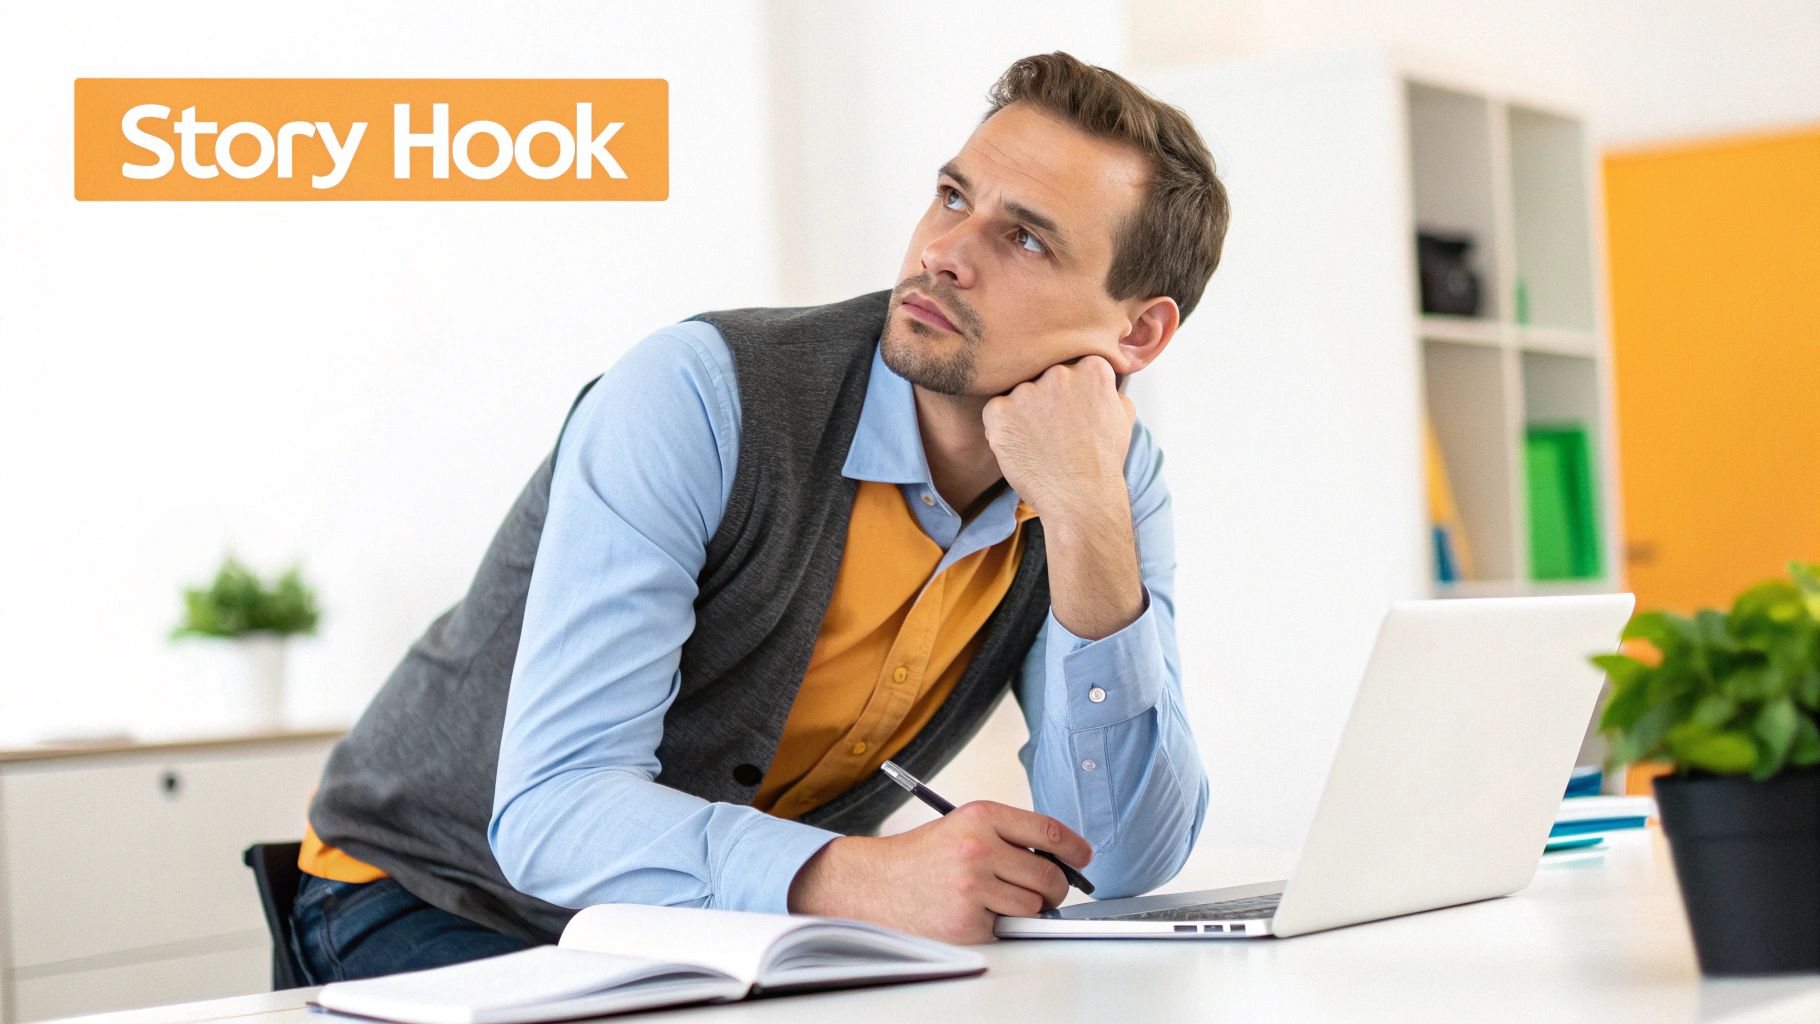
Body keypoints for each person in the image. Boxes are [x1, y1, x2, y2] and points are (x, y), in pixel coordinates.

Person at [289, 50, 1230, 984]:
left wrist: (1087, 518)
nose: (944, 252)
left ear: (1138, 332)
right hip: (428, 893)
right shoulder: (696, 396)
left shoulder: (1104, 478)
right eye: (952, 197)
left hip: (706, 933)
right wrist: (857, 877)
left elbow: (1120, 858)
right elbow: (552, 810)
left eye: (1025, 239)